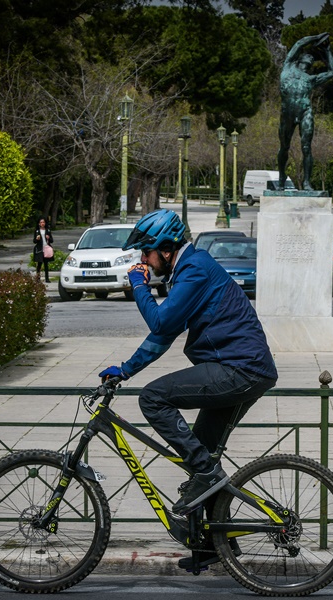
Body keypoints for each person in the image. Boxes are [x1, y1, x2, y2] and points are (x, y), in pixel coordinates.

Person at [98, 209, 277, 531]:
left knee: (153, 398)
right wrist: (126, 370)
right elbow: (164, 334)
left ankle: (207, 475)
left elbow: (161, 321)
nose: (143, 259)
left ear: (166, 249)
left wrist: (139, 285)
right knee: (201, 461)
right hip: (243, 368)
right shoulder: (190, 270)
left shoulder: (194, 269)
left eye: (146, 252)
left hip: (239, 369)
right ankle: (212, 545)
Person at [278, 32, 333, 192]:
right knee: (284, 147)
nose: (311, 57)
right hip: (287, 114)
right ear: (300, 59)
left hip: (305, 112)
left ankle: (306, 182)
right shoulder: (288, 66)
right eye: (308, 55)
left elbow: (332, 72)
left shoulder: (310, 79)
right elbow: (299, 43)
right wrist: (316, 38)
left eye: (312, 57)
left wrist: (327, 50)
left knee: (306, 147)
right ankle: (282, 178)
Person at [33, 218, 54, 282]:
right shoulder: (37, 231)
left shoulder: (48, 230)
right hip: (40, 249)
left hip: (46, 248)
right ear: (39, 224)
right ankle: (38, 278)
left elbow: (52, 240)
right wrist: (37, 239)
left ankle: (47, 279)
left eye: (43, 222)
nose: (42, 223)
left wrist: (49, 238)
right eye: (41, 222)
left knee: (46, 264)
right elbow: (34, 241)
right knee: (39, 264)